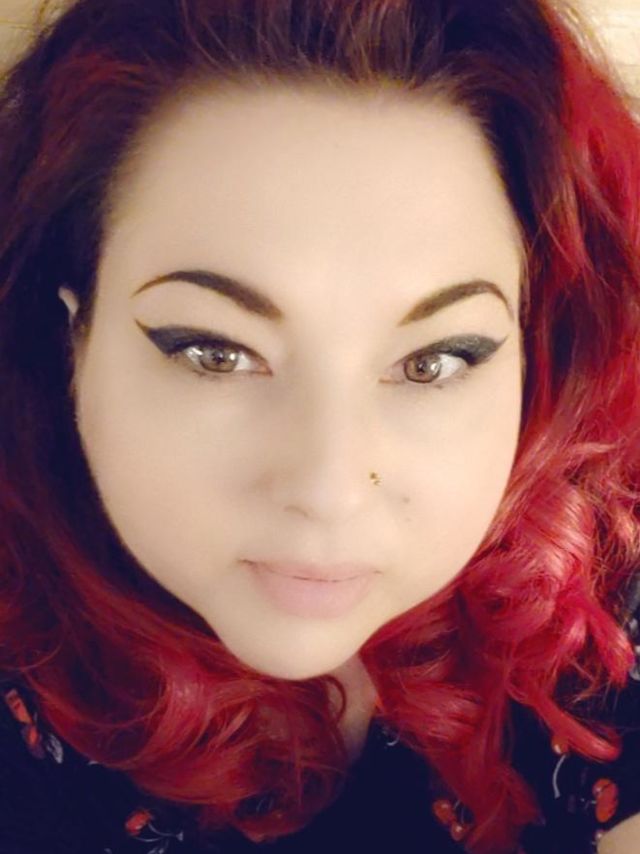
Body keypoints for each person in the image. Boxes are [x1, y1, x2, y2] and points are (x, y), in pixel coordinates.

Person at [0, 0, 639, 852]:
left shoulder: (610, 585)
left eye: (434, 361)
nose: (329, 490)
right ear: (72, 335)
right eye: (216, 352)